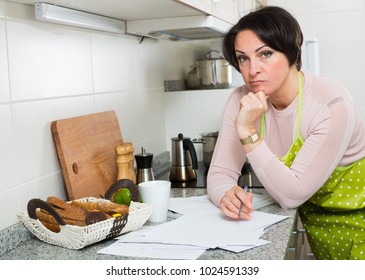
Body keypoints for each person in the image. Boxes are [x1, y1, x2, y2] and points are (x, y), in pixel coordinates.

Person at [207, 6, 365, 260]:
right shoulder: (240, 99)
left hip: (360, 223)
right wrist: (226, 194)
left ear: (292, 51)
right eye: (243, 58)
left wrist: (247, 131)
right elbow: (220, 173)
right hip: (318, 227)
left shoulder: (331, 105)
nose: (252, 69)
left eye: (265, 54)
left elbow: (292, 193)